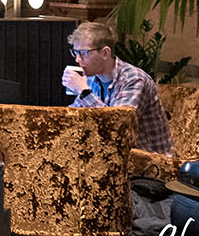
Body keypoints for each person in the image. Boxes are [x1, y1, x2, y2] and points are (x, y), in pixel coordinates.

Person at [61, 20, 172, 154]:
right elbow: (73, 117)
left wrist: (84, 92)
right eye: (75, 53)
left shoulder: (134, 80)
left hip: (149, 163)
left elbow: (118, 128)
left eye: (84, 53)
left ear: (105, 53)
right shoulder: (91, 79)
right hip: (112, 157)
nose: (77, 59)